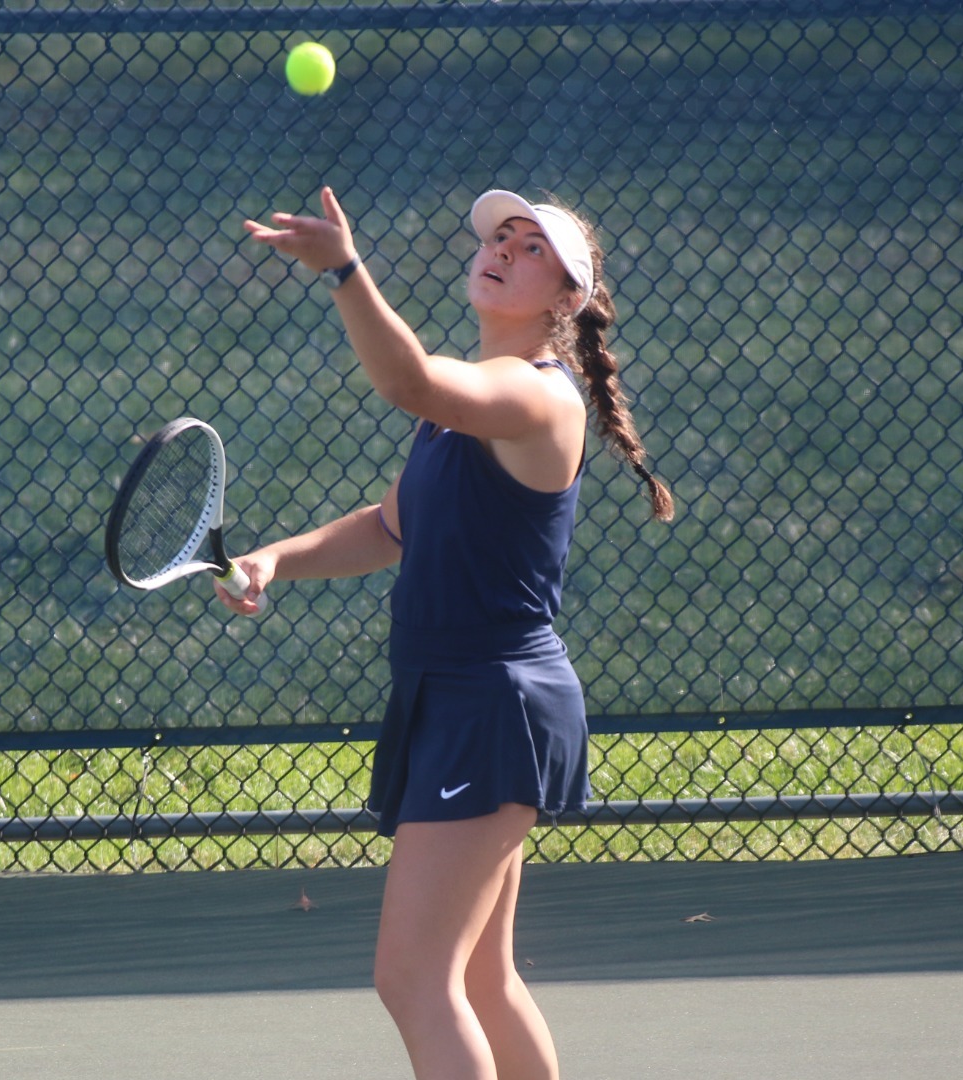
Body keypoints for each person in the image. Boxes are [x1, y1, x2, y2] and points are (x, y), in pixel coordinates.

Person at [229, 186, 673, 1080]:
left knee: (415, 978)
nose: (504, 248)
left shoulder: (535, 398)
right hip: (461, 697)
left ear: (567, 299)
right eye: (500, 236)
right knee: (479, 977)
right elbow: (390, 527)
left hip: (493, 703)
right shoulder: (464, 407)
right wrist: (276, 557)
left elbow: (406, 380)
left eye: (532, 247)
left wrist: (346, 271)